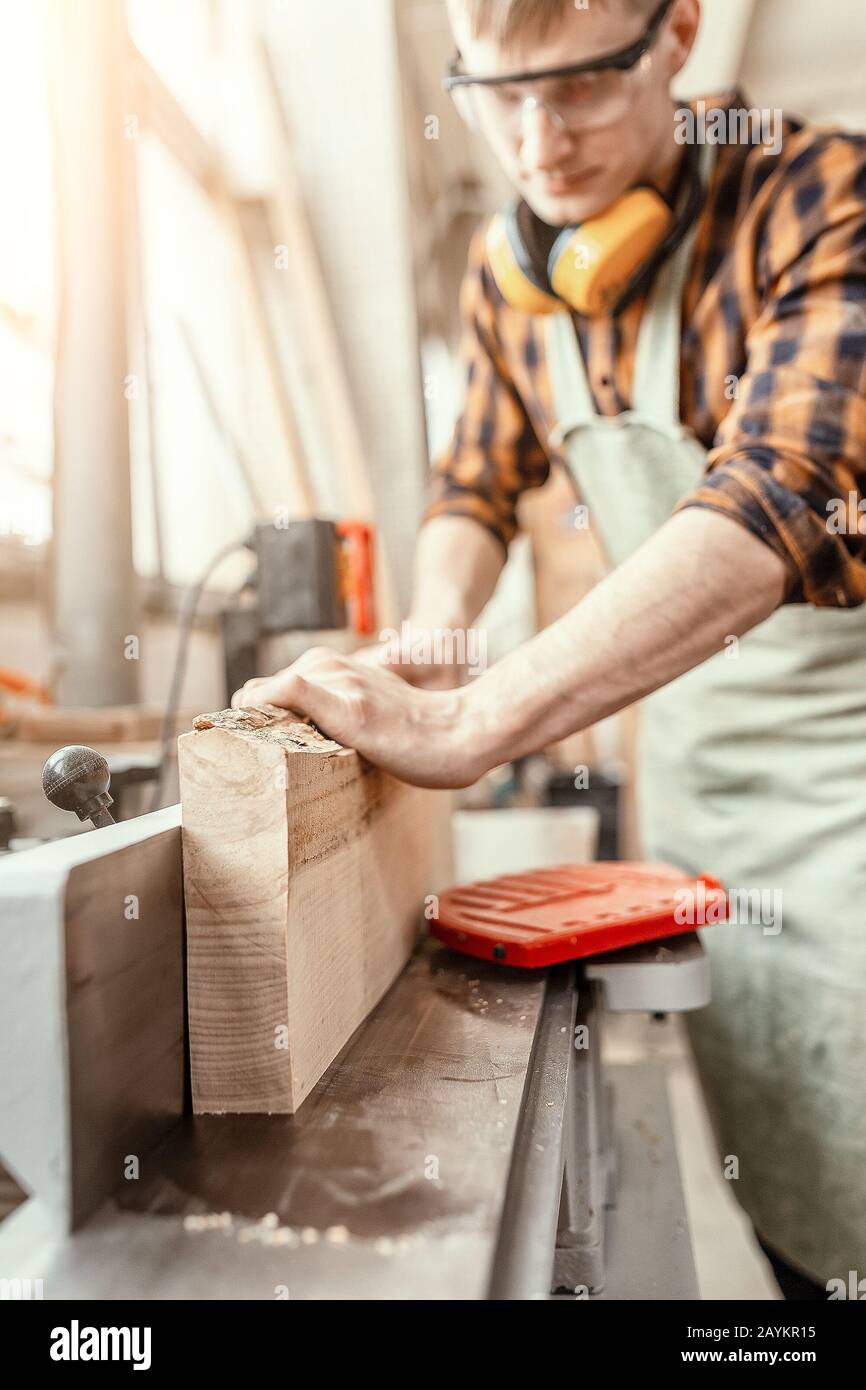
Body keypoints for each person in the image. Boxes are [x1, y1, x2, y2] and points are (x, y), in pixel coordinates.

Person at [234, 0, 866, 1298]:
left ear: (676, 36)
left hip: (847, 789)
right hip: (706, 798)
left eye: (578, 87)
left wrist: (473, 728)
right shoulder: (507, 279)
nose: (539, 141)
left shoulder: (815, 194)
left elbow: (794, 487)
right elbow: (474, 480)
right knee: (785, 1187)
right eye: (498, 96)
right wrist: (434, 643)